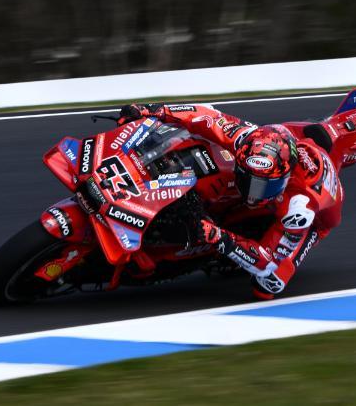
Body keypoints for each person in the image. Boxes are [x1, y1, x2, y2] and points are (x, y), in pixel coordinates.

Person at [118, 102, 344, 299]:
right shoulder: (246, 140)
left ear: (284, 179)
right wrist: (152, 110)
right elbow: (203, 115)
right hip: (289, 138)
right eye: (248, 180)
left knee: (268, 284)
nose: (253, 194)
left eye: (263, 186)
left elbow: (266, 262)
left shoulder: (299, 208)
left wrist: (219, 237)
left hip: (318, 218)